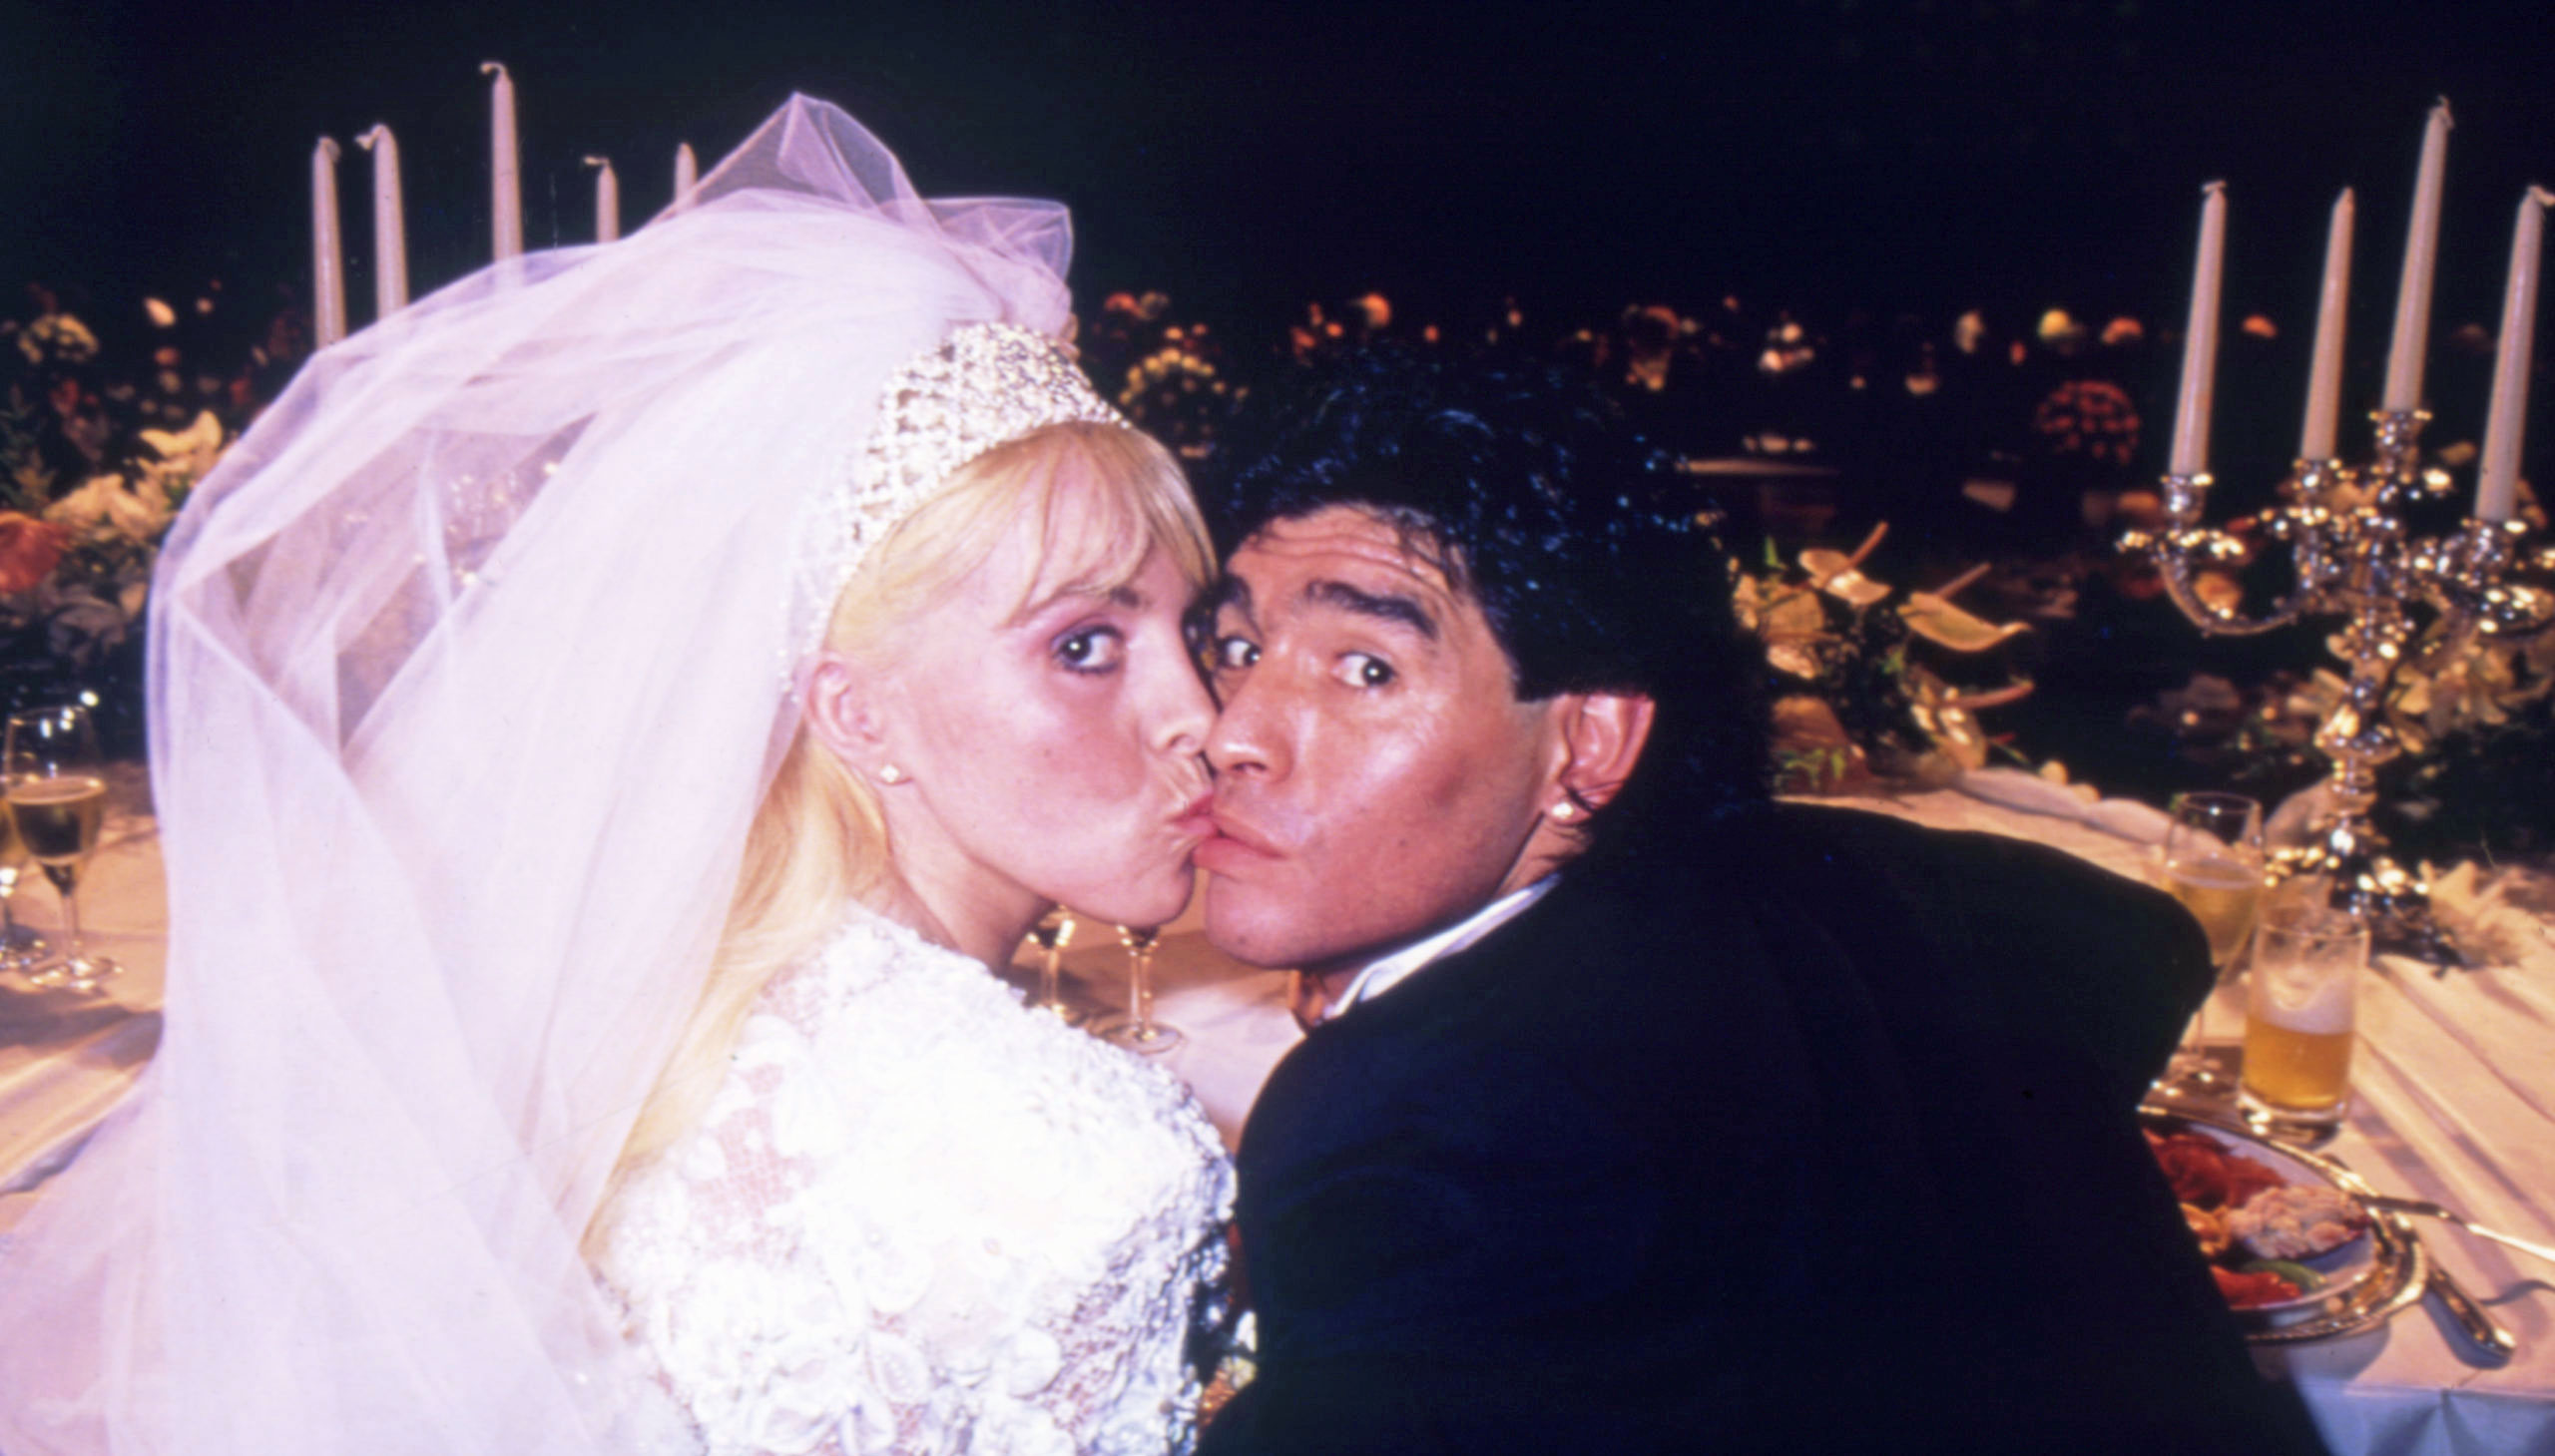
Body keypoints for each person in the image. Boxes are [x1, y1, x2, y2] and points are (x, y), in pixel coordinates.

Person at [0, 97, 1232, 1456]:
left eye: (1202, 631)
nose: (1199, 714)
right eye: (1083, 644)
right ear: (853, 711)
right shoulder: (1093, 1173)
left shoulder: (624, 1000)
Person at [1188, 346, 2327, 1455]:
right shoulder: (1809, 866)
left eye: (1366, 667)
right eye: (1237, 645)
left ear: (1589, 742)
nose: (1231, 731)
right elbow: (2145, 939)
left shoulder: (1404, 1134)